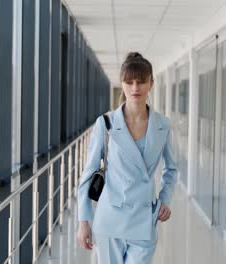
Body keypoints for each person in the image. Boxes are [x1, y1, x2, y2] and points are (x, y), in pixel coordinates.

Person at [76, 51, 178, 264]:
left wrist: (165, 198)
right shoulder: (106, 123)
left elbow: (171, 169)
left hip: (144, 219)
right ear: (122, 84)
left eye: (141, 81)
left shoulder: (163, 125)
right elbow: (88, 174)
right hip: (110, 219)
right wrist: (83, 220)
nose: (135, 88)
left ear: (151, 83)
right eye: (129, 82)